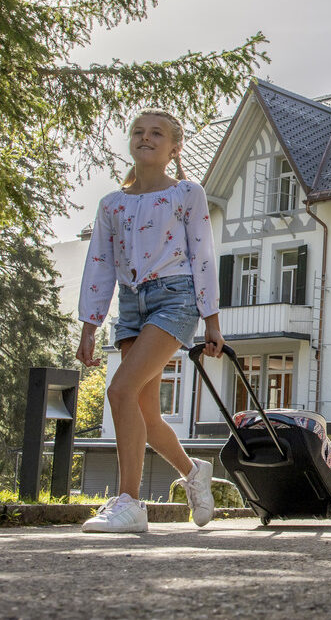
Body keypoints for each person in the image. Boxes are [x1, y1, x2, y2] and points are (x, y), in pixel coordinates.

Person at [76, 108, 223, 533]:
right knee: (145, 410)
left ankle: (130, 503)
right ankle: (193, 471)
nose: (146, 138)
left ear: (174, 147)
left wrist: (211, 321)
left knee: (120, 389)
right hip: (131, 305)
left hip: (174, 300)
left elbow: (203, 257)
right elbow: (99, 266)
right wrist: (90, 326)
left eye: (157, 133)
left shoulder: (186, 194)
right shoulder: (112, 204)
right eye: (138, 132)